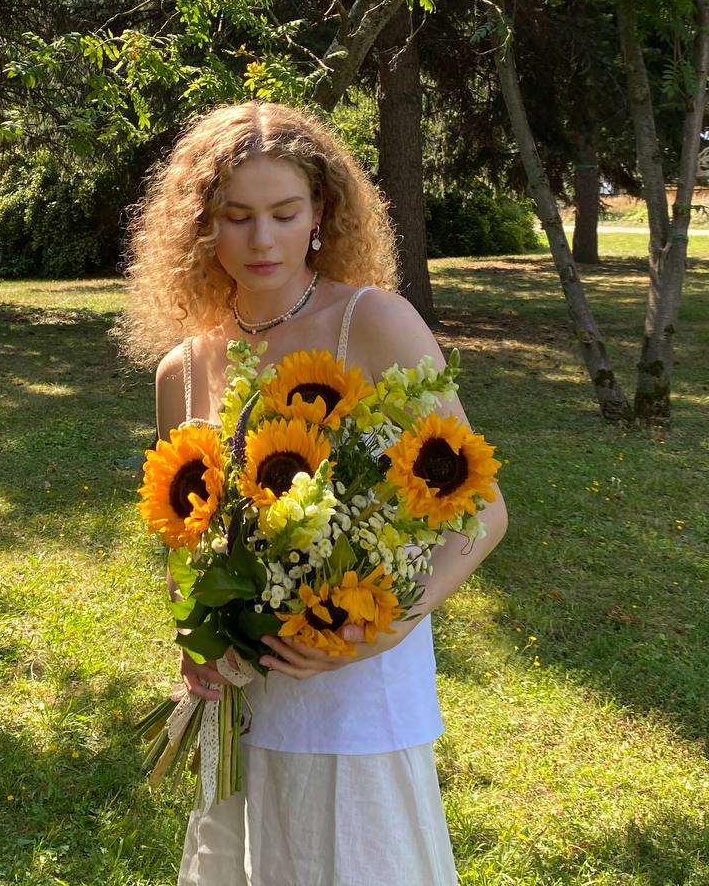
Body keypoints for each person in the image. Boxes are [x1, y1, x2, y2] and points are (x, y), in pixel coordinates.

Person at [119, 99, 508, 886]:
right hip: (245, 698)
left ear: (322, 212)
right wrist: (198, 641)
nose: (262, 240)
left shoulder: (374, 324)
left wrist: (392, 624)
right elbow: (181, 546)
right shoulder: (183, 371)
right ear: (203, 226)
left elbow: (485, 512)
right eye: (236, 216)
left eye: (284, 212)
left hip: (360, 687)